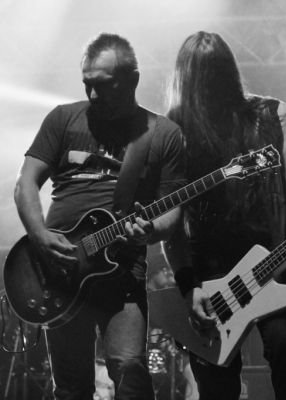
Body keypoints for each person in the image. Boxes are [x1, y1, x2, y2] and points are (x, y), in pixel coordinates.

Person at [14, 32, 186, 400]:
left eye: (104, 85)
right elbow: (25, 182)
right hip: (59, 270)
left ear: (132, 80)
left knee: (131, 372)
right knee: (70, 387)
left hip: (121, 271)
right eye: (86, 84)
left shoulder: (163, 134)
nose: (92, 94)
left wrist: (151, 230)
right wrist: (39, 235)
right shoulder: (63, 119)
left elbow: (172, 210)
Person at [163, 31, 286, 400]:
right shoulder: (173, 131)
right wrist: (188, 287)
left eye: (215, 76)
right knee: (216, 384)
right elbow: (172, 224)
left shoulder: (273, 115)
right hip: (210, 280)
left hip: (275, 265)